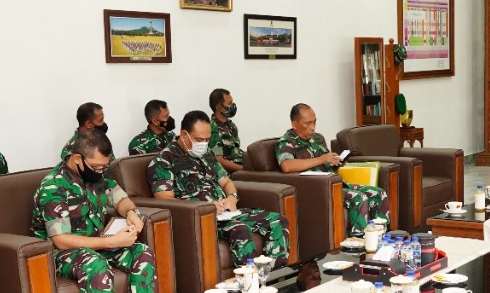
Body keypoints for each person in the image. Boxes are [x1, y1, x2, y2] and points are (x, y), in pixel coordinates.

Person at [32, 128, 168, 293]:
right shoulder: (53, 187)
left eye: (104, 167)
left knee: (142, 253)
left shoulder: (96, 175)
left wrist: (131, 214)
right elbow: (61, 239)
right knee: (94, 265)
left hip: (97, 242)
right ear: (77, 159)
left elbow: (121, 199)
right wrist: (111, 242)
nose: (101, 172)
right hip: (62, 252)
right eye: (96, 167)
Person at [150, 110, 289, 266]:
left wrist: (232, 198)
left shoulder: (207, 154)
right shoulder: (164, 161)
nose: (204, 144)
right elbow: (165, 200)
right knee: (240, 229)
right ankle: (250, 283)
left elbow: (226, 182)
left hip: (226, 213)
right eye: (199, 139)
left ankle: (275, 277)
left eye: (207, 139)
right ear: (183, 135)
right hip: (203, 220)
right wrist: (205, 208)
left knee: (277, 220)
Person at [276, 103, 389, 237]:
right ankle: (359, 244)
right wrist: (322, 159)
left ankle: (381, 238)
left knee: (378, 193)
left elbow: (326, 162)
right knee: (358, 197)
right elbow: (287, 165)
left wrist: (336, 161)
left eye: (314, 122)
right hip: (318, 189)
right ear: (294, 124)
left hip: (336, 184)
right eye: (307, 123)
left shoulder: (317, 138)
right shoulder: (287, 142)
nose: (312, 127)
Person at [207, 88, 244, 173]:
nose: (233, 106)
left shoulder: (231, 126)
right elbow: (219, 161)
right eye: (229, 103)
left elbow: (236, 151)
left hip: (241, 164)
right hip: (229, 174)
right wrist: (244, 169)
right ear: (219, 108)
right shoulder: (213, 129)